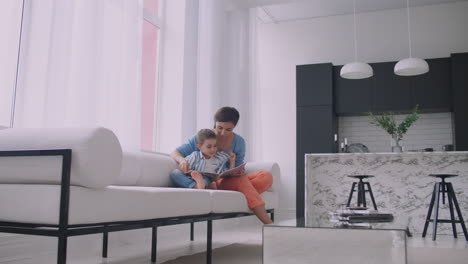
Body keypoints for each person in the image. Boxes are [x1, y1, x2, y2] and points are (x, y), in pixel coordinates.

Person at [170, 107, 273, 224]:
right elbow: (175, 153)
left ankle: (246, 193)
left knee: (266, 176)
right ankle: (269, 223)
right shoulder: (204, 136)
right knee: (242, 183)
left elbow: (239, 166)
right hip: (214, 181)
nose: (223, 133)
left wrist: (238, 171)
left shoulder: (239, 142)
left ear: (234, 127)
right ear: (214, 124)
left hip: (228, 178)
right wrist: (182, 160)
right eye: (219, 128)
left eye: (228, 129)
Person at [170, 128, 235, 189]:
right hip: (192, 178)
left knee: (206, 180)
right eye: (209, 147)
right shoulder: (195, 155)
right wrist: (186, 169)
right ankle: (196, 186)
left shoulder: (220, 158)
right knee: (175, 173)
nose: (213, 149)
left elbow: (226, 174)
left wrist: (232, 162)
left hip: (206, 179)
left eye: (215, 146)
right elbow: (186, 168)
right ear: (199, 147)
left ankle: (199, 185)